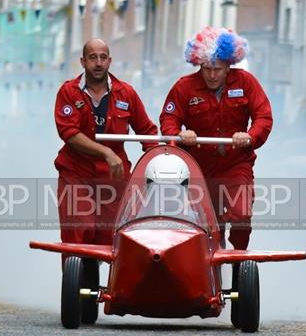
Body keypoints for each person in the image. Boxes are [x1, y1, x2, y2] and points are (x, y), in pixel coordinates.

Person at [159, 26, 272, 251]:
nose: (211, 75)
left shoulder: (246, 83)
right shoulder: (184, 87)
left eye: (217, 69)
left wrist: (250, 136)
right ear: (198, 64)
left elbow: (264, 117)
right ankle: (211, 260)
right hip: (198, 167)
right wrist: (179, 135)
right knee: (205, 224)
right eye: (206, 68)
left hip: (235, 164)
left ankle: (239, 258)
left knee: (241, 214)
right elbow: (168, 119)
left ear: (229, 66)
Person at [52, 38, 158, 250]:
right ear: (83, 62)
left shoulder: (126, 93)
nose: (98, 63)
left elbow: (147, 131)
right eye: (93, 58)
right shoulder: (69, 92)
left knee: (114, 239)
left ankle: (112, 284)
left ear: (109, 61)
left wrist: (157, 165)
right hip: (76, 174)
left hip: (115, 178)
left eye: (102, 58)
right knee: (79, 232)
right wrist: (106, 152)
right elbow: (69, 133)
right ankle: (82, 284)